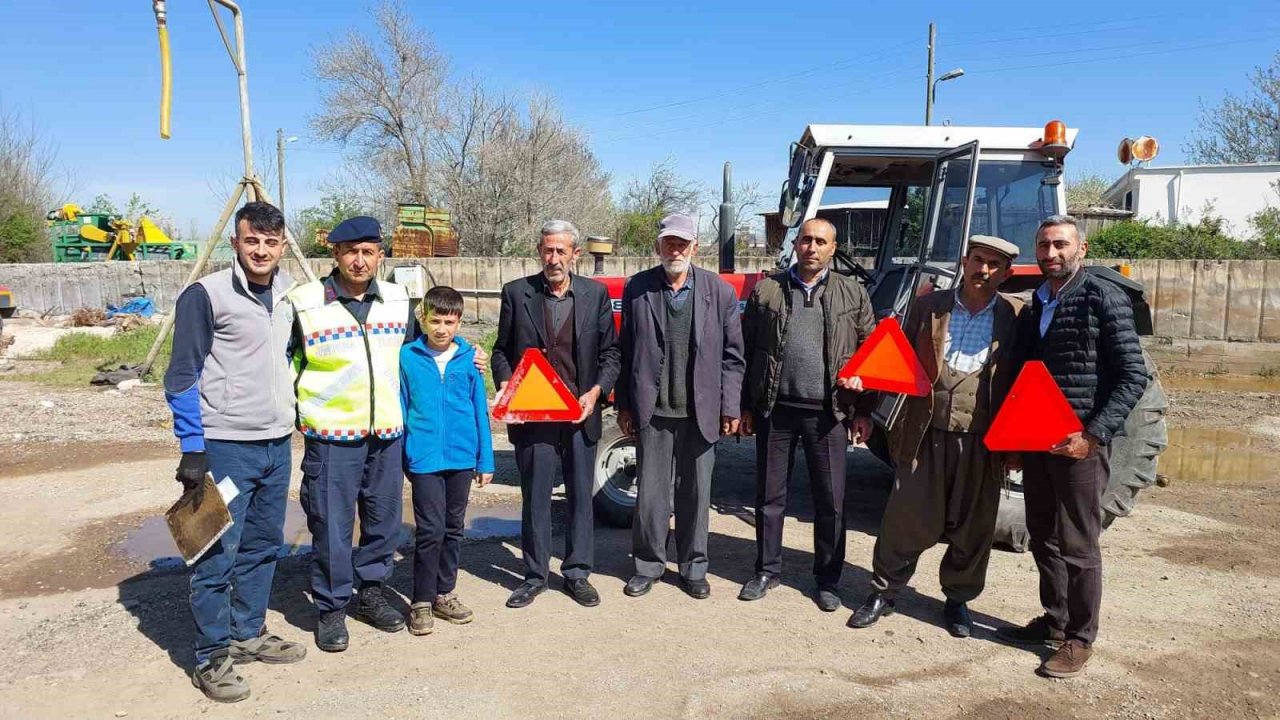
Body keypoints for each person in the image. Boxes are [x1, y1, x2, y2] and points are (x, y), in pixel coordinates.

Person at [164, 201, 305, 703]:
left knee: (264, 544)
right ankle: (211, 656)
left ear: (283, 245)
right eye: (252, 241)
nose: (261, 250)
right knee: (214, 552)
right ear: (236, 243)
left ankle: (247, 634)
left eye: (270, 242)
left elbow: (296, 360)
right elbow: (182, 374)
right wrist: (193, 448)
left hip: (276, 443)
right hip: (225, 446)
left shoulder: (292, 295)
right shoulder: (206, 295)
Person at [848, 235, 1023, 635]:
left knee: (974, 524)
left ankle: (958, 600)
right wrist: (866, 403)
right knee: (905, 516)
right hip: (925, 432)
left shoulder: (1017, 315)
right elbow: (899, 359)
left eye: (995, 265)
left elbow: (1025, 381)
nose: (984, 270)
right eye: (978, 260)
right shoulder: (929, 305)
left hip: (982, 439)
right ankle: (883, 591)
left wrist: (1018, 446)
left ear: (1007, 273)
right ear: (965, 261)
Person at [998, 215, 1148, 678]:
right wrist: (1016, 438)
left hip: (1080, 442)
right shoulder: (1036, 303)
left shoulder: (1104, 296)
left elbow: (1132, 375)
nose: (1051, 253)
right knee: (1042, 533)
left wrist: (1093, 435)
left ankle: (1081, 638)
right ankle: (1056, 621)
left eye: (1060, 245)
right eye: (1043, 245)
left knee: (1079, 544)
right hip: (1040, 440)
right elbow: (1025, 378)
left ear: (1080, 249)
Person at [736, 217, 875, 611]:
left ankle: (828, 579)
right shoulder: (767, 291)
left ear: (833, 249)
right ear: (795, 245)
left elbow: (870, 355)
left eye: (820, 241)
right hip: (775, 410)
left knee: (830, 501)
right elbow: (747, 352)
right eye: (805, 240)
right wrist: (746, 405)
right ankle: (766, 570)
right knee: (769, 496)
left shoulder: (853, 294)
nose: (811, 247)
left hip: (829, 413)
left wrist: (864, 410)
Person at [288, 216, 412, 652]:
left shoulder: (399, 299)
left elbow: (416, 356)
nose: (359, 261)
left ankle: (372, 593)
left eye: (368, 252)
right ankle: (332, 607)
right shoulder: (303, 303)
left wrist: (462, 359)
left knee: (383, 520)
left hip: (386, 434)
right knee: (331, 525)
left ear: (381, 255)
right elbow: (287, 367)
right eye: (350, 252)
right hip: (331, 436)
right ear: (335, 255)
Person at [491, 220, 620, 609]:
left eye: (562, 251)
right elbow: (501, 352)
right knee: (536, 497)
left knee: (581, 496)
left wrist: (596, 393)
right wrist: (505, 386)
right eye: (548, 250)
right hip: (534, 417)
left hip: (579, 415)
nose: (554, 258)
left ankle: (577, 572)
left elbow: (610, 354)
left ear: (575, 254)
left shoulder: (594, 295)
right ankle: (534, 575)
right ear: (539, 251)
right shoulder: (517, 293)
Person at [616, 213, 746, 599]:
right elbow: (626, 352)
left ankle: (694, 567)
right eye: (668, 243)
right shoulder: (638, 288)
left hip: (700, 411)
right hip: (652, 409)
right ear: (659, 246)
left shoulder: (718, 291)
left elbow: (733, 356)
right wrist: (624, 403)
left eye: (682, 243)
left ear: (695, 246)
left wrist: (730, 406)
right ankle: (648, 565)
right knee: (651, 496)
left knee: (696, 493)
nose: (675, 250)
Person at [399, 285, 495, 636]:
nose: (442, 328)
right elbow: (402, 407)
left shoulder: (469, 359)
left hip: (461, 457)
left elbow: (479, 410)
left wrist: (485, 460)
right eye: (436, 320)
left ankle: (445, 592)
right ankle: (421, 600)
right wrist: (403, 457)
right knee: (430, 530)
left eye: (449, 321)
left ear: (459, 322)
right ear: (423, 319)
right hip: (424, 458)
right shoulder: (407, 357)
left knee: (454, 528)